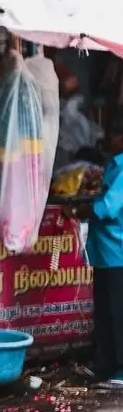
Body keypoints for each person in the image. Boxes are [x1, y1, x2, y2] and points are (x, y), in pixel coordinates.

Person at [87, 116, 123, 386]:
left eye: (112, 134)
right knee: (104, 312)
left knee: (118, 313)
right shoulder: (113, 164)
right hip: (104, 253)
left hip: (118, 253)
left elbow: (109, 208)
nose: (108, 139)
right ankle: (105, 363)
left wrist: (83, 208)